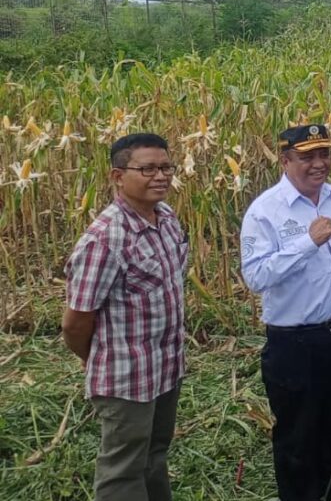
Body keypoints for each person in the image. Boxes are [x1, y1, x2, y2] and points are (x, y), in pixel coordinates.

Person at [240, 124, 331, 501]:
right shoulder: (265, 211)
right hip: (293, 342)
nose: (318, 164)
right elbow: (255, 276)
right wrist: (307, 243)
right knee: (298, 434)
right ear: (285, 161)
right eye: (306, 157)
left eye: (324, 155)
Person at [63, 133, 187, 501]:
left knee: (154, 455)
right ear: (118, 176)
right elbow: (75, 322)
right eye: (147, 169)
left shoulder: (165, 218)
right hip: (125, 377)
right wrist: (99, 358)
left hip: (166, 367)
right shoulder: (105, 240)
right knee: (123, 469)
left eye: (165, 167)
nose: (160, 176)